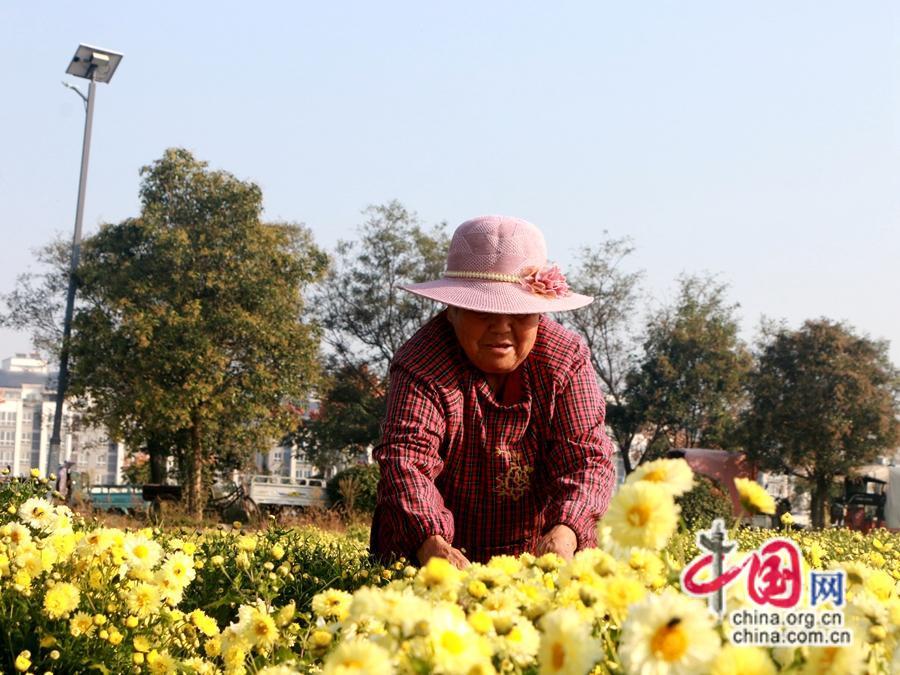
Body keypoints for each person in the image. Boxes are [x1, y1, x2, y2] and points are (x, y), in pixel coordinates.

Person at [370, 215, 616, 568]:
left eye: (519, 313)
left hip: (538, 551)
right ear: (452, 309)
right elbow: (407, 460)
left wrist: (565, 531)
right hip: (426, 554)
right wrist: (432, 544)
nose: (501, 327)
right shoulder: (421, 363)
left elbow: (587, 460)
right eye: (482, 310)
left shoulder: (566, 360)